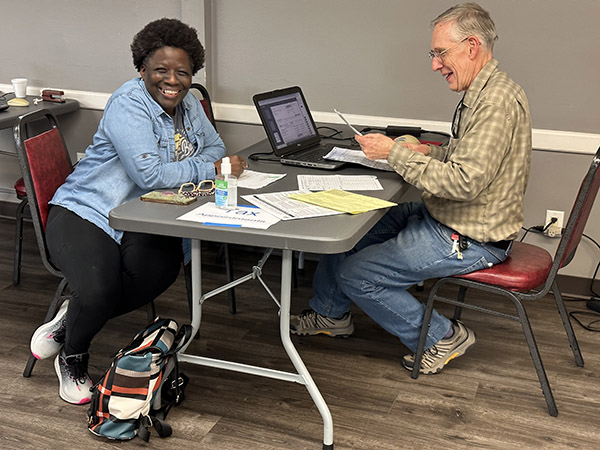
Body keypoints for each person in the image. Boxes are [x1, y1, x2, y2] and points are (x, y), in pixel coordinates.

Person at [291, 3, 532, 375]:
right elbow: (469, 157)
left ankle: (441, 337)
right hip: (447, 216)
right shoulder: (486, 92)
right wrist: (428, 151)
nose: (435, 64)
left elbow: (465, 181)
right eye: (433, 54)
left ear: (471, 46)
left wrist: (394, 153)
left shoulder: (495, 103)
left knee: (358, 274)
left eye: (440, 53)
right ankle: (329, 314)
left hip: (470, 235)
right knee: (356, 222)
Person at [29, 18, 247, 405]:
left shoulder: (190, 104)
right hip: (87, 209)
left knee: (159, 273)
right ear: (142, 68)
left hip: (142, 217)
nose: (173, 81)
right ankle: (74, 356)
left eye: (183, 72)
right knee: (98, 288)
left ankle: (69, 320)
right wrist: (210, 168)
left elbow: (215, 146)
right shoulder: (128, 103)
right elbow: (149, 174)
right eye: (161, 70)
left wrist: (206, 163)